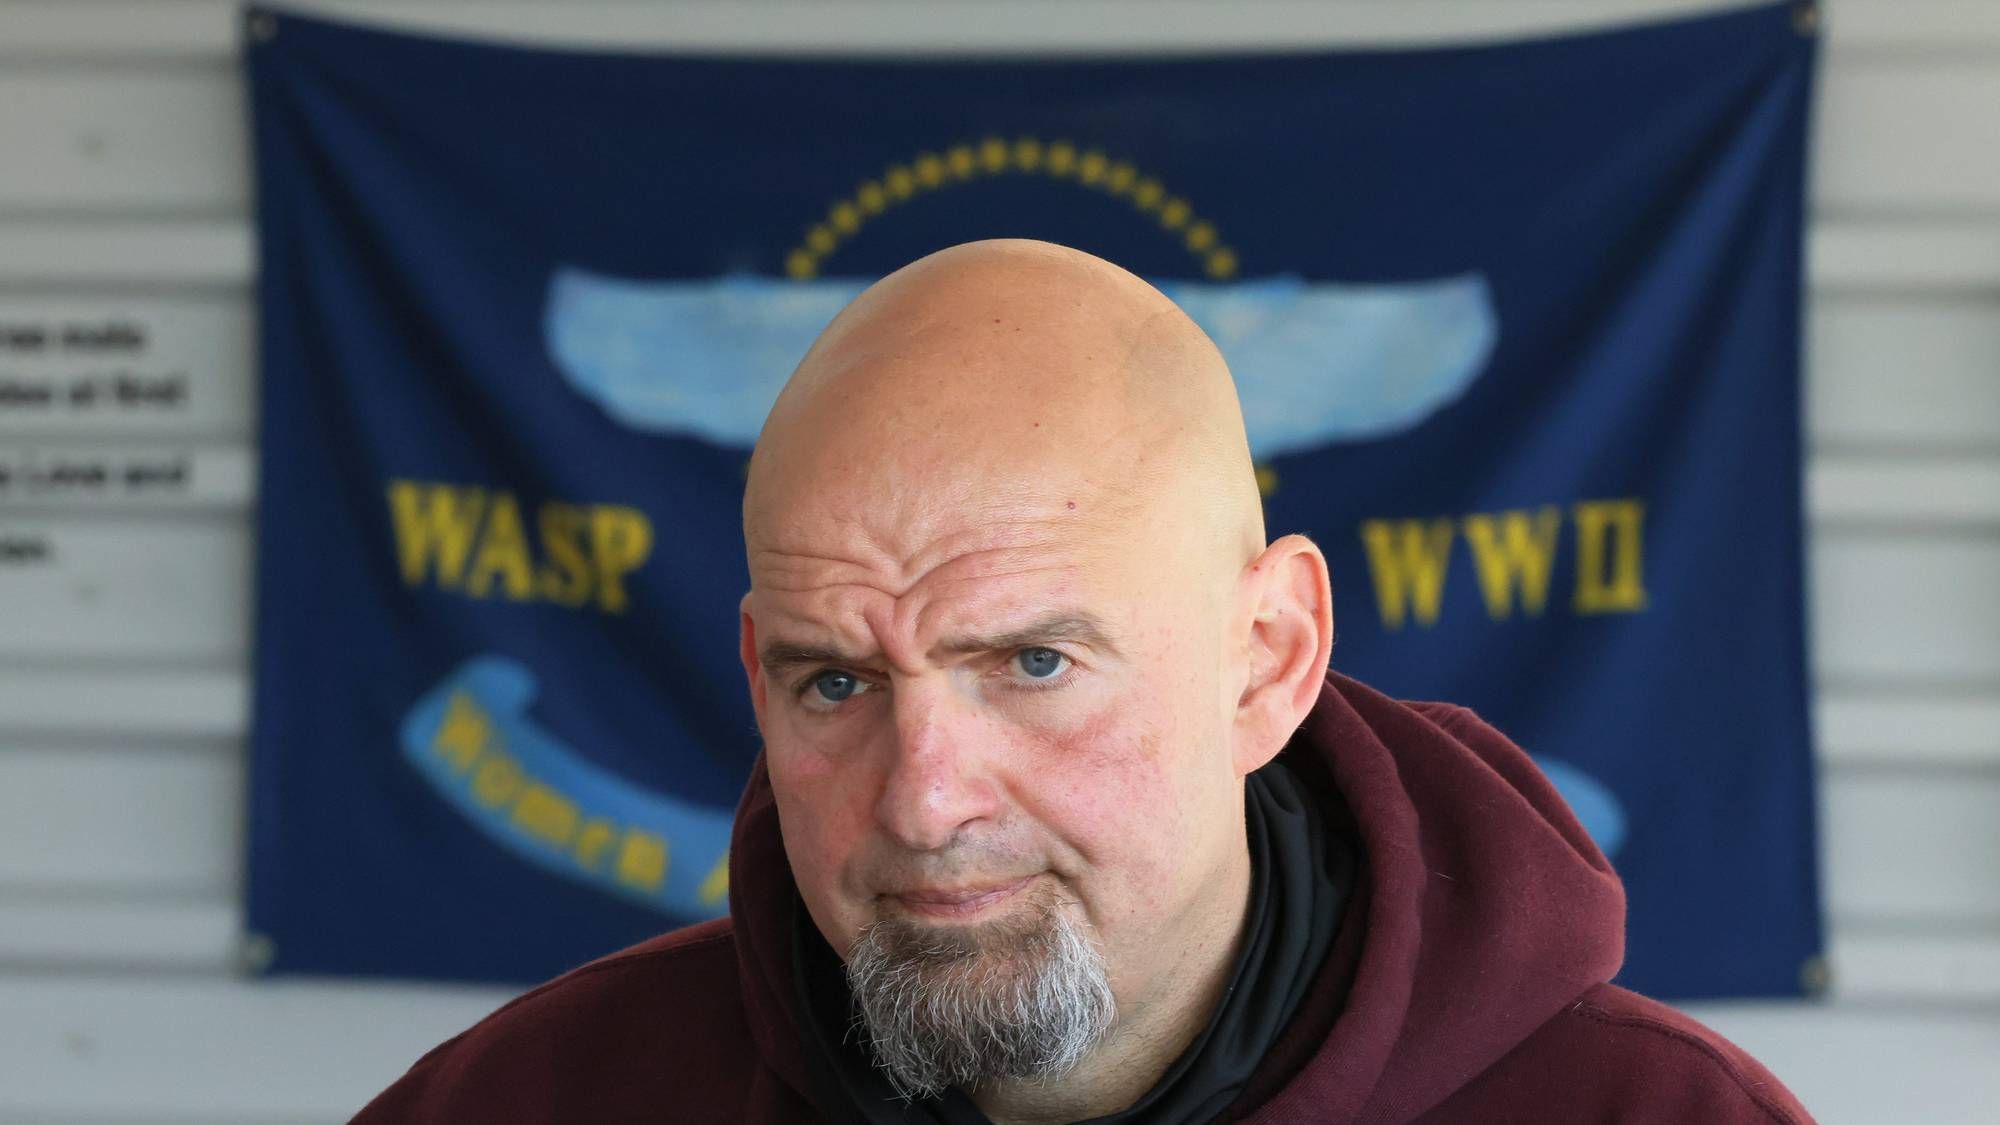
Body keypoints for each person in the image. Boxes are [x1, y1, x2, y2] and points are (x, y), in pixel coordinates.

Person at [354, 240, 1814, 1124]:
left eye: (1034, 662)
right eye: (836, 683)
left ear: (1268, 660)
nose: (923, 803)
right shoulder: (525, 1105)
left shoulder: (1654, 1117)